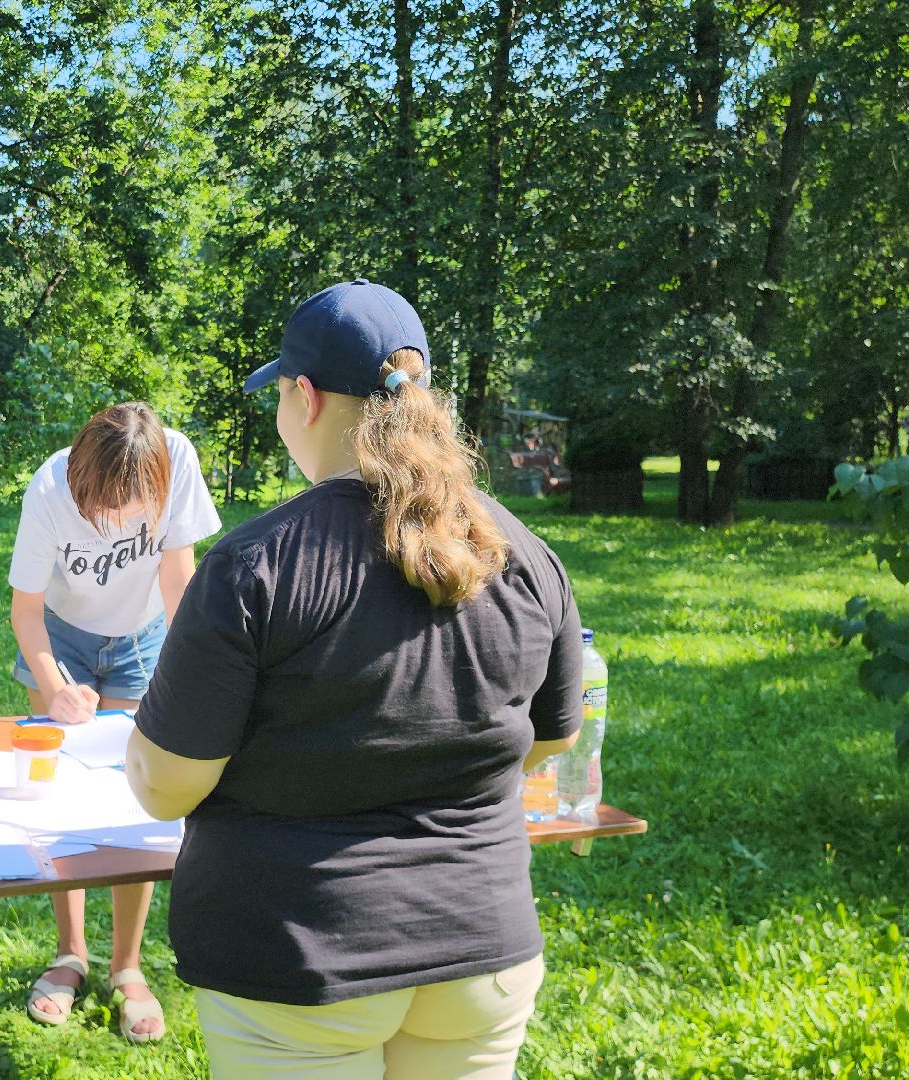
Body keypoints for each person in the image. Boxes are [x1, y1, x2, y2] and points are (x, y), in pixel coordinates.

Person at [125, 279, 583, 1079]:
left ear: (304, 397)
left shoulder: (255, 564)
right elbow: (548, 741)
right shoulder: (523, 553)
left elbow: (166, 786)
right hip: (480, 949)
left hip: (300, 960)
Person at [6, 401, 223, 1043]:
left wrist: (185, 680)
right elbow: (26, 611)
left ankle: (126, 966)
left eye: (130, 511)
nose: (115, 523)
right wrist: (53, 687)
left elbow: (179, 582)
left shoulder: (176, 460)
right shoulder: (48, 489)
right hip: (63, 636)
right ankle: (70, 953)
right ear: (79, 478)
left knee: (136, 798)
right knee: (60, 790)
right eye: (100, 509)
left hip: (145, 634)